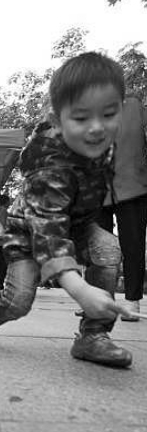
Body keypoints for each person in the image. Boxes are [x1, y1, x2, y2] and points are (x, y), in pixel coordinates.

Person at [0, 52, 134, 368]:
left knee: (108, 248)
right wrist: (80, 289)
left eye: (108, 114)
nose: (96, 128)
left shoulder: (102, 146)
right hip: (30, 234)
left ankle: (93, 336)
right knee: (16, 302)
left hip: (75, 228)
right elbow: (48, 227)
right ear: (58, 119)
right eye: (81, 118)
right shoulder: (50, 164)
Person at [98, 93, 147, 321]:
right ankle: (102, 301)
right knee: (99, 249)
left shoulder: (136, 106)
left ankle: (132, 301)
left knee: (133, 245)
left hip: (133, 187)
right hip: (98, 190)